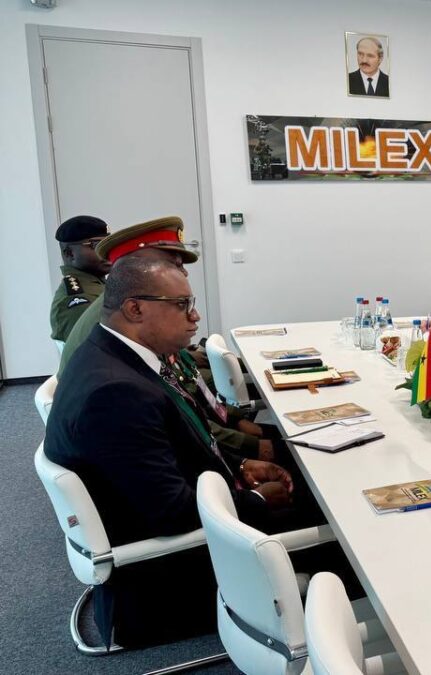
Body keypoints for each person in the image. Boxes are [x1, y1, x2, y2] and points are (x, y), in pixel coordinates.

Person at [44, 257, 313, 645]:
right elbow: (172, 513)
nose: (195, 316)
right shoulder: (116, 394)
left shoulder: (110, 354)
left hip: (191, 510)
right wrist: (255, 500)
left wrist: (240, 464)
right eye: (182, 305)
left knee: (311, 476)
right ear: (135, 309)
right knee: (340, 512)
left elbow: (178, 445)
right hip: (170, 575)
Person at [57, 216, 275, 462]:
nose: (183, 272)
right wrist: (247, 453)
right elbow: (177, 417)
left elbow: (187, 385)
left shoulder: (134, 315)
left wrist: (235, 421)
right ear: (138, 268)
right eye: (172, 264)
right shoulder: (121, 325)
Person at [49, 215, 111, 341]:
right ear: (69, 254)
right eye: (96, 245)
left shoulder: (98, 285)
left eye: (107, 243)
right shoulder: (77, 301)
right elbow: (94, 348)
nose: (107, 251)